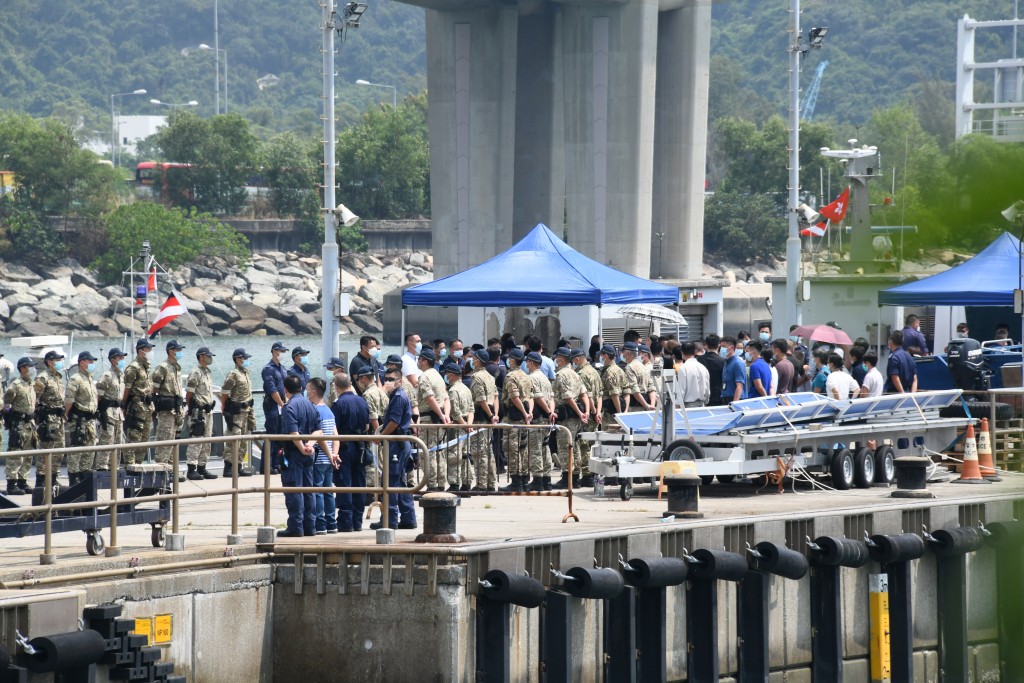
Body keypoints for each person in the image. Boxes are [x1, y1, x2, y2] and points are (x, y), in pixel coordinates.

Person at [278, 374, 329, 537]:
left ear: (285, 390)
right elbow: (319, 430)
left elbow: (293, 432)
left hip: (294, 454)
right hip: (309, 453)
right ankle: (310, 527)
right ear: (301, 388)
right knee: (309, 490)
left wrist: (301, 447)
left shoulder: (289, 407)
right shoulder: (311, 405)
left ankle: (296, 527)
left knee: (295, 489)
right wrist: (310, 445)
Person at [371, 368, 417, 530]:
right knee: (399, 482)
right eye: (386, 379)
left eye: (391, 379)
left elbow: (394, 422)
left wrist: (381, 435)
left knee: (390, 481)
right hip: (399, 442)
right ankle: (408, 517)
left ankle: (389, 520)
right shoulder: (398, 396)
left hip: (396, 443)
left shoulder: (398, 397)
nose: (387, 382)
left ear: (399, 381)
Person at [331, 372, 371, 532]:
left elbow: (335, 429)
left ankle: (345, 522)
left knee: (344, 484)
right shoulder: (362, 401)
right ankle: (357, 522)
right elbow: (367, 425)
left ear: (336, 386)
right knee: (359, 484)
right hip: (360, 446)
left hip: (344, 447)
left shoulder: (338, 404)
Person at [551, 347, 588, 489]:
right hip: (575, 417)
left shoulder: (561, 375)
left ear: (560, 358)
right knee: (575, 446)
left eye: (557, 358)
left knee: (565, 446)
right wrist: (585, 412)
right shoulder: (575, 374)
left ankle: (567, 477)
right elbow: (584, 394)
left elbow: (567, 397)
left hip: (567, 416)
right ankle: (575, 476)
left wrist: (579, 412)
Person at [414, 348, 451, 491]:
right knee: (438, 451)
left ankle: (432, 485)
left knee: (427, 453)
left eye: (419, 359)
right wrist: (445, 415)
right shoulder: (438, 376)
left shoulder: (424, 376)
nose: (418, 362)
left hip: (429, 419)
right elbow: (446, 397)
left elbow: (429, 398)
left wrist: (442, 416)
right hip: (439, 418)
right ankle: (440, 483)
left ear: (424, 361)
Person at [305, 377, 337, 534]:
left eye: (307, 389)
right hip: (329, 457)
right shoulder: (329, 410)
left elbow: (321, 435)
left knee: (317, 490)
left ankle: (321, 523)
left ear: (313, 392)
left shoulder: (315, 410)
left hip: (320, 457)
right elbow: (335, 435)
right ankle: (332, 523)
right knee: (328, 491)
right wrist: (334, 454)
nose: (306, 392)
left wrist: (329, 453)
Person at [151, 340, 186, 482]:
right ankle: (161, 473)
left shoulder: (177, 367)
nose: (180, 352)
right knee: (165, 442)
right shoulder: (162, 367)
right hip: (167, 410)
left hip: (177, 409)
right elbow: (154, 390)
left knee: (174, 442)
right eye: (178, 349)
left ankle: (172, 471)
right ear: (171, 351)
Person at [499, 348, 533, 493]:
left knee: (512, 449)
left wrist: (525, 413)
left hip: (514, 417)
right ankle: (524, 479)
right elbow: (530, 396)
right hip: (524, 418)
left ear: (512, 360)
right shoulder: (526, 376)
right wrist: (529, 413)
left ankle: (516, 481)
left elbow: (514, 397)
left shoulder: (511, 376)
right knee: (522, 449)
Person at [3, 357, 37, 495]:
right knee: (16, 453)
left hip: (30, 423)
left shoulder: (30, 384)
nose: (33, 370)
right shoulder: (16, 385)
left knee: (28, 454)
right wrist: (10, 419)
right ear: (23, 368)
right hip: (19, 424)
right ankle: (11, 483)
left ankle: (23, 481)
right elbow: (6, 403)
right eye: (30, 367)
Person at [221, 348, 256, 477]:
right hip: (236, 412)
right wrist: (224, 407)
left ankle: (238, 465)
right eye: (244, 358)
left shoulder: (245, 373)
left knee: (243, 440)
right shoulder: (233, 374)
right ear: (238, 359)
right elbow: (224, 392)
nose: (247, 361)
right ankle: (229, 467)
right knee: (233, 440)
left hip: (246, 412)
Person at [65, 351, 99, 484]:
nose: (92, 364)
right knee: (76, 448)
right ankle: (73, 477)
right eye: (90, 361)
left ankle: (85, 474)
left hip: (90, 420)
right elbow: (69, 400)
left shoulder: (89, 378)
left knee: (90, 448)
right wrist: (67, 415)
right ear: (82, 362)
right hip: (78, 419)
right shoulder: (76, 378)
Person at [354, 365, 388, 500]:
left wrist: (378, 435)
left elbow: (373, 417)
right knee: (381, 462)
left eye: (359, 379)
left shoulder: (367, 394)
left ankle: (373, 493)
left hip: (376, 432)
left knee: (372, 464)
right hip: (384, 430)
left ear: (363, 378)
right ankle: (381, 491)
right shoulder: (381, 392)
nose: (358, 382)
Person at [184, 347, 218, 480]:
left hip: (208, 411)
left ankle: (202, 468)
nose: (211, 358)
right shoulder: (195, 372)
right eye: (208, 356)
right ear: (202, 357)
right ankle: (191, 469)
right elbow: (189, 393)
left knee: (207, 440)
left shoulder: (207, 372)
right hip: (198, 412)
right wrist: (191, 408)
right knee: (196, 440)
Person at [34, 350, 66, 487]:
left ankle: (53, 477)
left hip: (58, 419)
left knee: (60, 449)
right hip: (48, 419)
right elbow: (34, 398)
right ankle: (41, 479)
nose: (60, 363)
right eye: (57, 360)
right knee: (45, 449)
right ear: (50, 362)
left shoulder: (58, 377)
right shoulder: (42, 378)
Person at [469, 349, 499, 492]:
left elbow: (480, 400)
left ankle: (482, 484)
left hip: (481, 417)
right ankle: (491, 483)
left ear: (478, 360)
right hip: (489, 415)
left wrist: (489, 415)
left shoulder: (477, 377)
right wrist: (495, 414)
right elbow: (495, 397)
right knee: (488, 451)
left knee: (479, 452)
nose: (472, 360)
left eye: (474, 358)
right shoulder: (490, 377)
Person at [122, 339, 155, 470]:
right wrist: (124, 405)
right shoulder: (133, 367)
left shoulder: (146, 366)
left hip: (147, 407)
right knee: (133, 437)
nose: (151, 352)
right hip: (136, 407)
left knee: (145, 438)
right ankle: (130, 465)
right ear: (141, 350)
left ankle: (139, 464)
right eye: (148, 349)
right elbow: (126, 389)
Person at [525, 351, 555, 490]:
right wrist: (551, 412)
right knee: (545, 447)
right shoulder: (545, 378)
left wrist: (548, 412)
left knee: (536, 449)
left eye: (527, 362)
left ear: (531, 363)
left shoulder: (531, 378)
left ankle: (538, 479)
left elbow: (537, 397)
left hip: (538, 418)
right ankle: (547, 479)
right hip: (547, 419)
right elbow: (552, 398)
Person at [444, 360, 475, 492]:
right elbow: (472, 409)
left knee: (453, 456)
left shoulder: (453, 391)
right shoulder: (466, 389)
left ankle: (454, 484)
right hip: (466, 426)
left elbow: (455, 413)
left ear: (451, 375)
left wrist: (464, 425)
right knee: (465, 456)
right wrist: (469, 424)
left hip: (457, 427)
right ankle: (467, 483)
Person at [573, 348, 602, 485]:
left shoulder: (582, 374)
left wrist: (593, 412)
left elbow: (588, 396)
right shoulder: (595, 372)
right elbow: (600, 394)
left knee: (584, 445)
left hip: (588, 414)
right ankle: (593, 472)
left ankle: (587, 474)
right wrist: (599, 412)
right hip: (596, 413)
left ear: (577, 359)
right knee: (592, 444)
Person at [95, 349, 126, 473]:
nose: (122, 360)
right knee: (106, 440)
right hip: (108, 412)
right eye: (120, 358)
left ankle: (114, 467)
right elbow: (98, 396)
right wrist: (99, 411)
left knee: (118, 442)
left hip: (118, 413)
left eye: (123, 358)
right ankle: (102, 467)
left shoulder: (121, 376)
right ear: (113, 360)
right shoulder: (107, 376)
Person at [262, 342, 290, 468]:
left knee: (281, 435)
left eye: (284, 352)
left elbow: (286, 388)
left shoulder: (283, 369)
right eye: (281, 351)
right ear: (274, 351)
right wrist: (282, 404)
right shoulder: (269, 369)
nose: (283, 354)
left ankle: (277, 463)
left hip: (282, 404)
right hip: (273, 405)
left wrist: (287, 403)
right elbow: (272, 390)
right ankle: (267, 466)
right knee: (272, 434)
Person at [597, 344, 628, 426]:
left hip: (611, 413)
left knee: (609, 436)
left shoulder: (609, 372)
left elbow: (614, 394)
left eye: (601, 355)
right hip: (619, 409)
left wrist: (619, 413)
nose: (600, 358)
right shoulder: (620, 370)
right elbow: (627, 391)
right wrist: (625, 411)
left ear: (606, 356)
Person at [676, 341, 710, 407]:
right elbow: (707, 390)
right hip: (702, 405)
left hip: (688, 407)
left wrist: (677, 405)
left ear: (682, 352)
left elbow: (681, 390)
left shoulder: (683, 368)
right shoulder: (703, 367)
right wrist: (706, 401)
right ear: (694, 352)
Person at [622, 342, 652, 411]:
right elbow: (651, 386)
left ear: (628, 354)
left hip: (634, 405)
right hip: (645, 403)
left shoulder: (629, 367)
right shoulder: (643, 366)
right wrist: (648, 405)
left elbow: (635, 390)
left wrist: (646, 405)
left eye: (623, 353)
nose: (622, 355)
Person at [698, 334, 726, 406]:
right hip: (718, 396)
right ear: (719, 345)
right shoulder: (723, 361)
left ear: (706, 345)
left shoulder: (698, 360)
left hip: (701, 396)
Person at [720, 336, 747, 404]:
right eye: (721, 346)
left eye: (724, 346)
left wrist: (734, 404)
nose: (721, 349)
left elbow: (740, 386)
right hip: (726, 399)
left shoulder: (737, 363)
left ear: (731, 347)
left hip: (735, 400)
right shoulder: (727, 362)